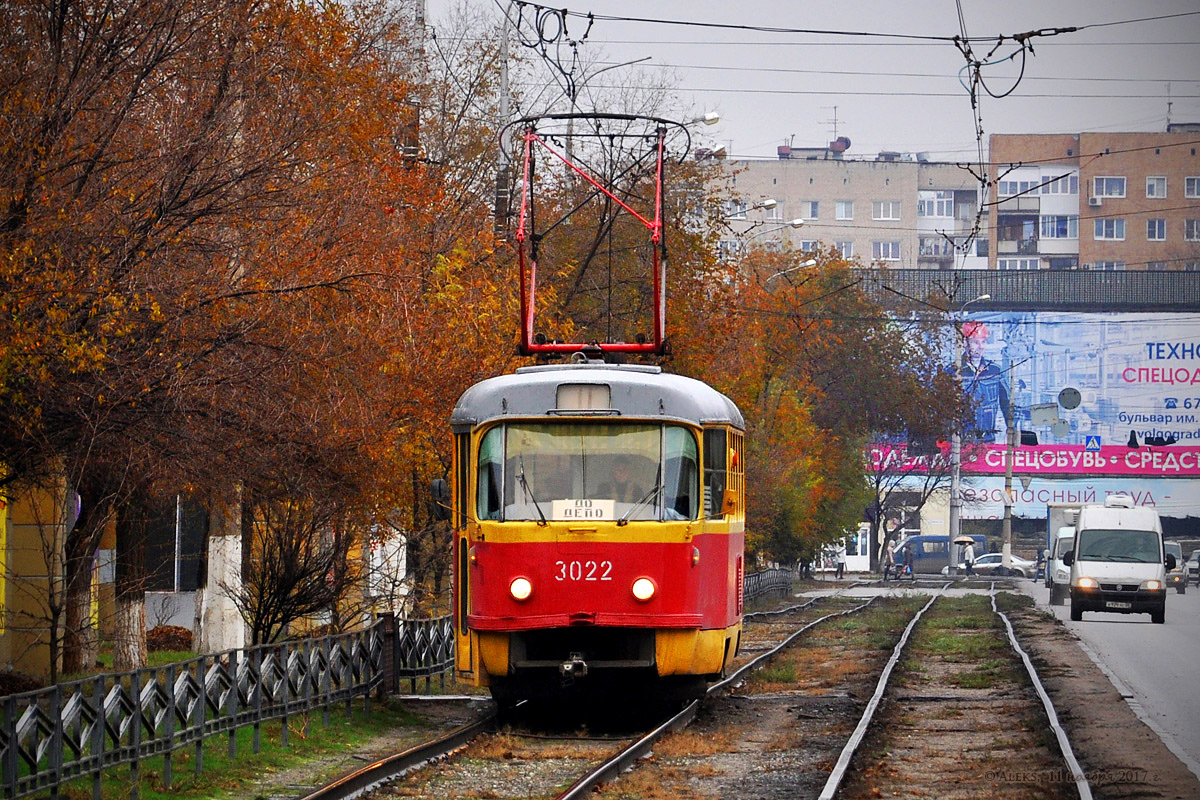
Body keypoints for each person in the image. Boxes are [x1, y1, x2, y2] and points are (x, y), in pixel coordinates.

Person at [960, 321, 1011, 443]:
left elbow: (1007, 405)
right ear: (964, 343)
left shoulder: (995, 371)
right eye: (975, 342)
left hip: (988, 441)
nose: (981, 346)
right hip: (960, 443)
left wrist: (1012, 430)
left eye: (983, 341)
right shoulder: (953, 372)